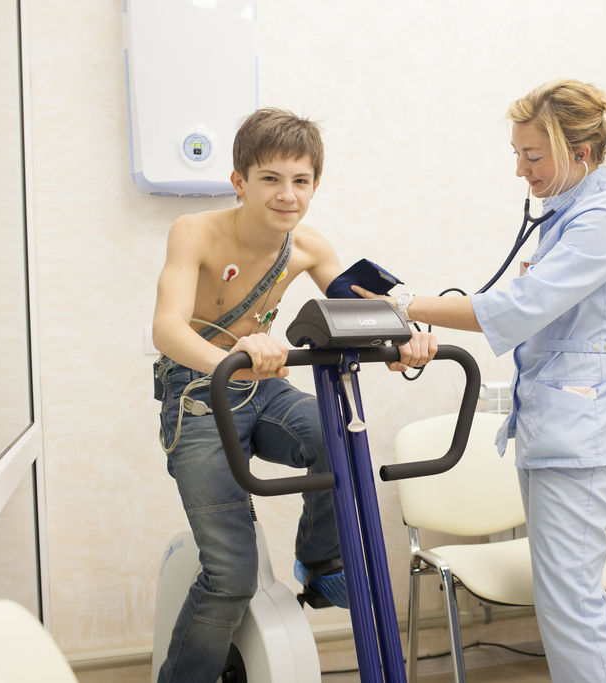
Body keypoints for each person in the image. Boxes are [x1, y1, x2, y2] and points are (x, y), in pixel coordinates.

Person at [354, 79, 606, 682]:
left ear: (579, 152)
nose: (520, 169)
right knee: (563, 600)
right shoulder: (568, 213)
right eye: (517, 154)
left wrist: (406, 304)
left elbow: (519, 308)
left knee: (572, 605)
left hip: (579, 431)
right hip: (554, 427)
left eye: (532, 155)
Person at [151, 107, 435, 683]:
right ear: (239, 181)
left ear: (315, 185)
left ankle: (320, 557)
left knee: (337, 435)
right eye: (271, 179)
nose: (287, 194)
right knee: (231, 577)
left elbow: (358, 312)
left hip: (265, 390)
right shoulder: (194, 232)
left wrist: (406, 341)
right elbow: (167, 328)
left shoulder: (308, 246)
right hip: (199, 395)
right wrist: (232, 361)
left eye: (301, 180)